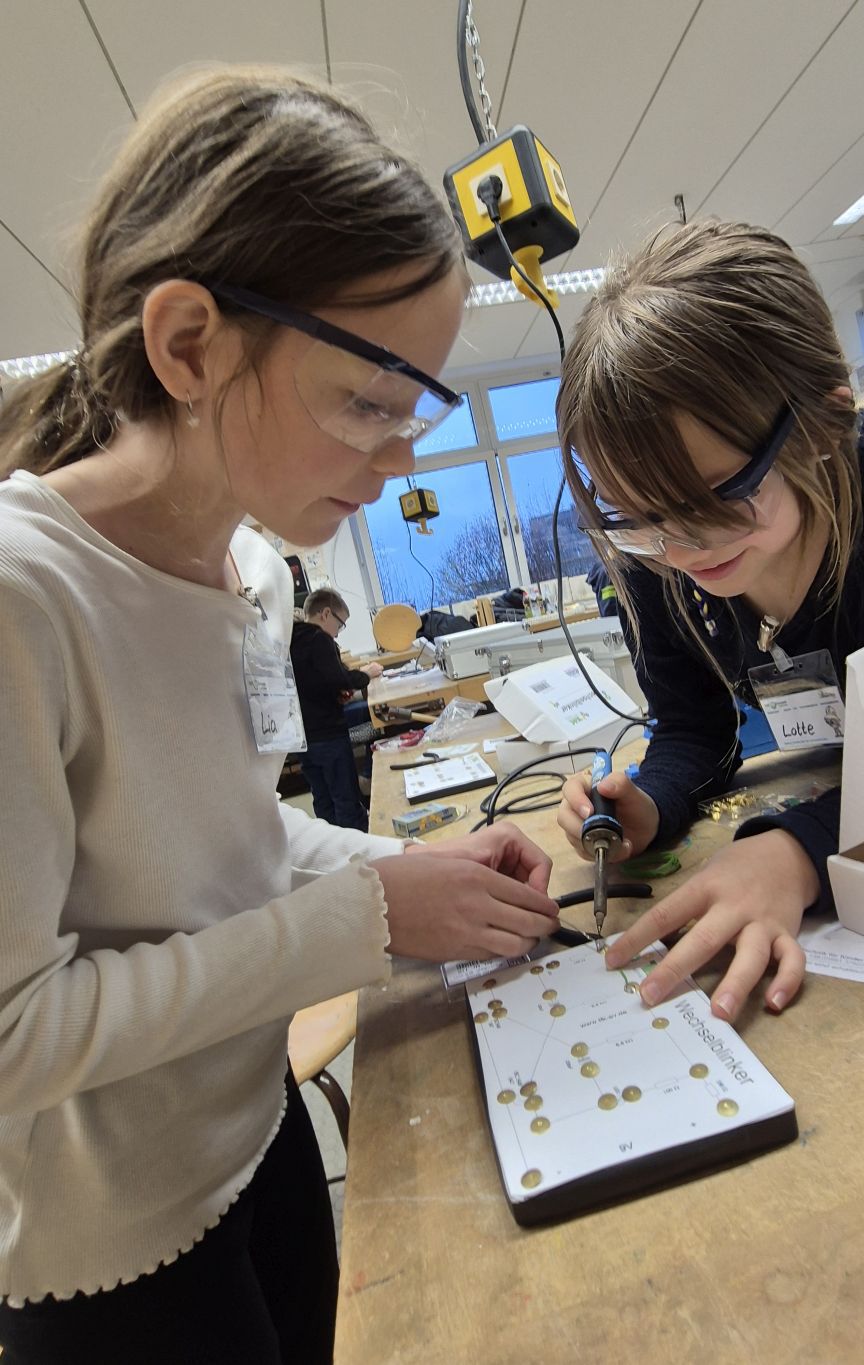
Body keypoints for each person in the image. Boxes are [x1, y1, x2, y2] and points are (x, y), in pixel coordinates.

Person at [0, 67, 560, 1364]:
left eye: (414, 409)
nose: (400, 454)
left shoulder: (240, 574)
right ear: (191, 344)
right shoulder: (27, 597)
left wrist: (407, 873)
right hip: (110, 1263)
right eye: (368, 401)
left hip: (260, 1148)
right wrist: (361, 920)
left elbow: (231, 847)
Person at [555, 218, 864, 1025]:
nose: (680, 547)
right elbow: (695, 731)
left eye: (718, 498)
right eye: (636, 516)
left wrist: (797, 850)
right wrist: (654, 800)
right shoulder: (657, 555)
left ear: (825, 425)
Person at [291, 588, 381, 831]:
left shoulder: (289, 639)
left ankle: (334, 853)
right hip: (328, 735)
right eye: (340, 625)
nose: (338, 633)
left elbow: (314, 683)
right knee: (346, 800)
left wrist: (337, 692)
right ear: (326, 614)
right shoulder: (319, 639)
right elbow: (339, 679)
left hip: (302, 738)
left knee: (323, 801)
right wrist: (365, 674)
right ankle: (363, 856)